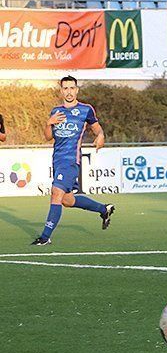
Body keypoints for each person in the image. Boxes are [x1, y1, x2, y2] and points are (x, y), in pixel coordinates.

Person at [32, 76, 114, 246]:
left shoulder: (85, 110)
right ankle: (103, 209)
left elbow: (98, 130)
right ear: (61, 91)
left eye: (72, 88)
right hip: (57, 160)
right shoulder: (56, 111)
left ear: (77, 90)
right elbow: (48, 137)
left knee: (56, 193)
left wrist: (100, 137)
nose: (69, 92)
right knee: (67, 200)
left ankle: (45, 237)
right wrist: (49, 123)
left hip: (71, 161)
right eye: (65, 88)